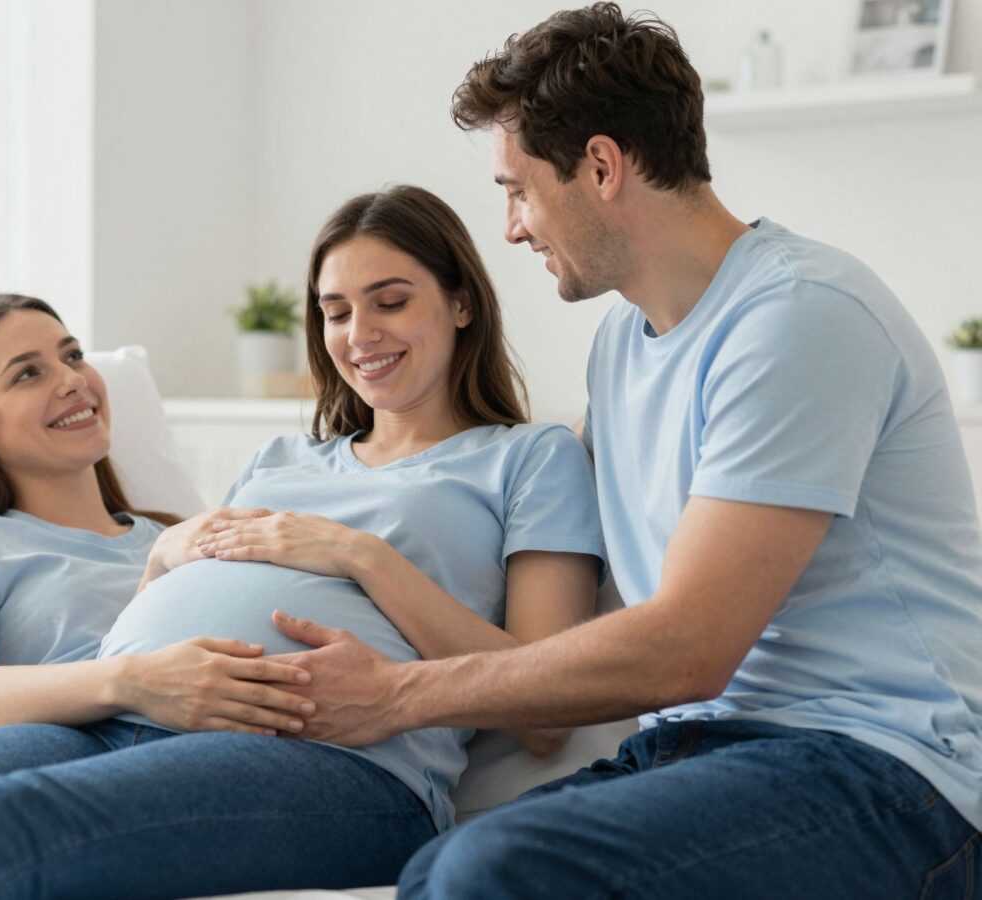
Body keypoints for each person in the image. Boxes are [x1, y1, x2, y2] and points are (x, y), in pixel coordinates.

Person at [254, 6, 982, 898]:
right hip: (700, 751)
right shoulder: (622, 345)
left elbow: (688, 648)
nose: (513, 227)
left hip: (887, 769)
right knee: (439, 869)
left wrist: (399, 694)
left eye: (517, 190)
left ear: (600, 166)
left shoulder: (799, 318)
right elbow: (529, 529)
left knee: (491, 873)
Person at [0, 186, 606, 899]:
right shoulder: (280, 460)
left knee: (9, 822)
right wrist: (160, 566)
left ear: (461, 303)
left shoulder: (529, 457)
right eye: (335, 311)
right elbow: (162, 621)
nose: (360, 334)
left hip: (343, 766)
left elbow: (546, 711)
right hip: (125, 721)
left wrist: (362, 556)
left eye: (391, 301)